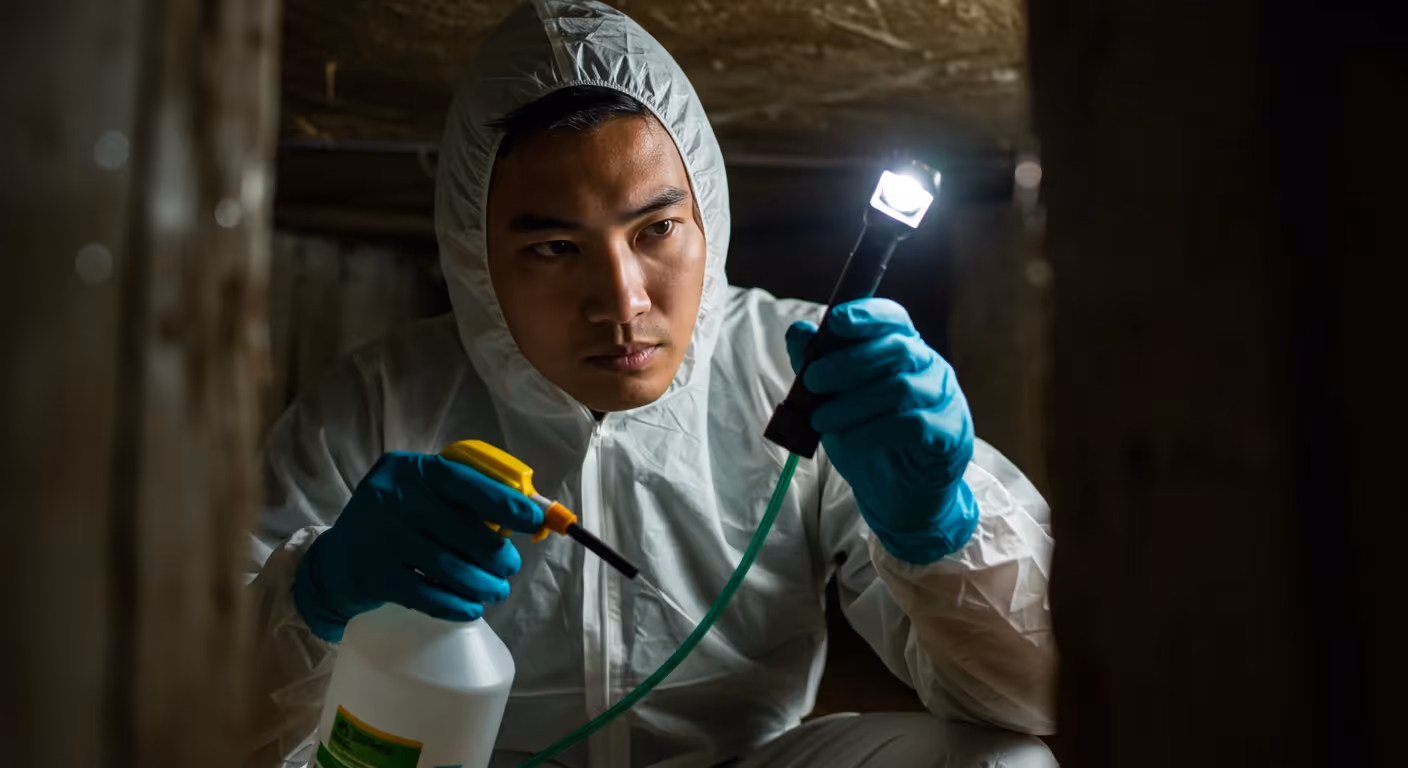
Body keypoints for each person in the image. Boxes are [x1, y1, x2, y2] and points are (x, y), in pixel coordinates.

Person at [245, 2, 1056, 766]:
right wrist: (312, 597)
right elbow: (184, 716)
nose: (623, 302)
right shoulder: (374, 406)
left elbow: (1045, 698)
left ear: (707, 216)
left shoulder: (809, 373)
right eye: (555, 248)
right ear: (473, 255)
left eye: (657, 229)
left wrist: (939, 528)